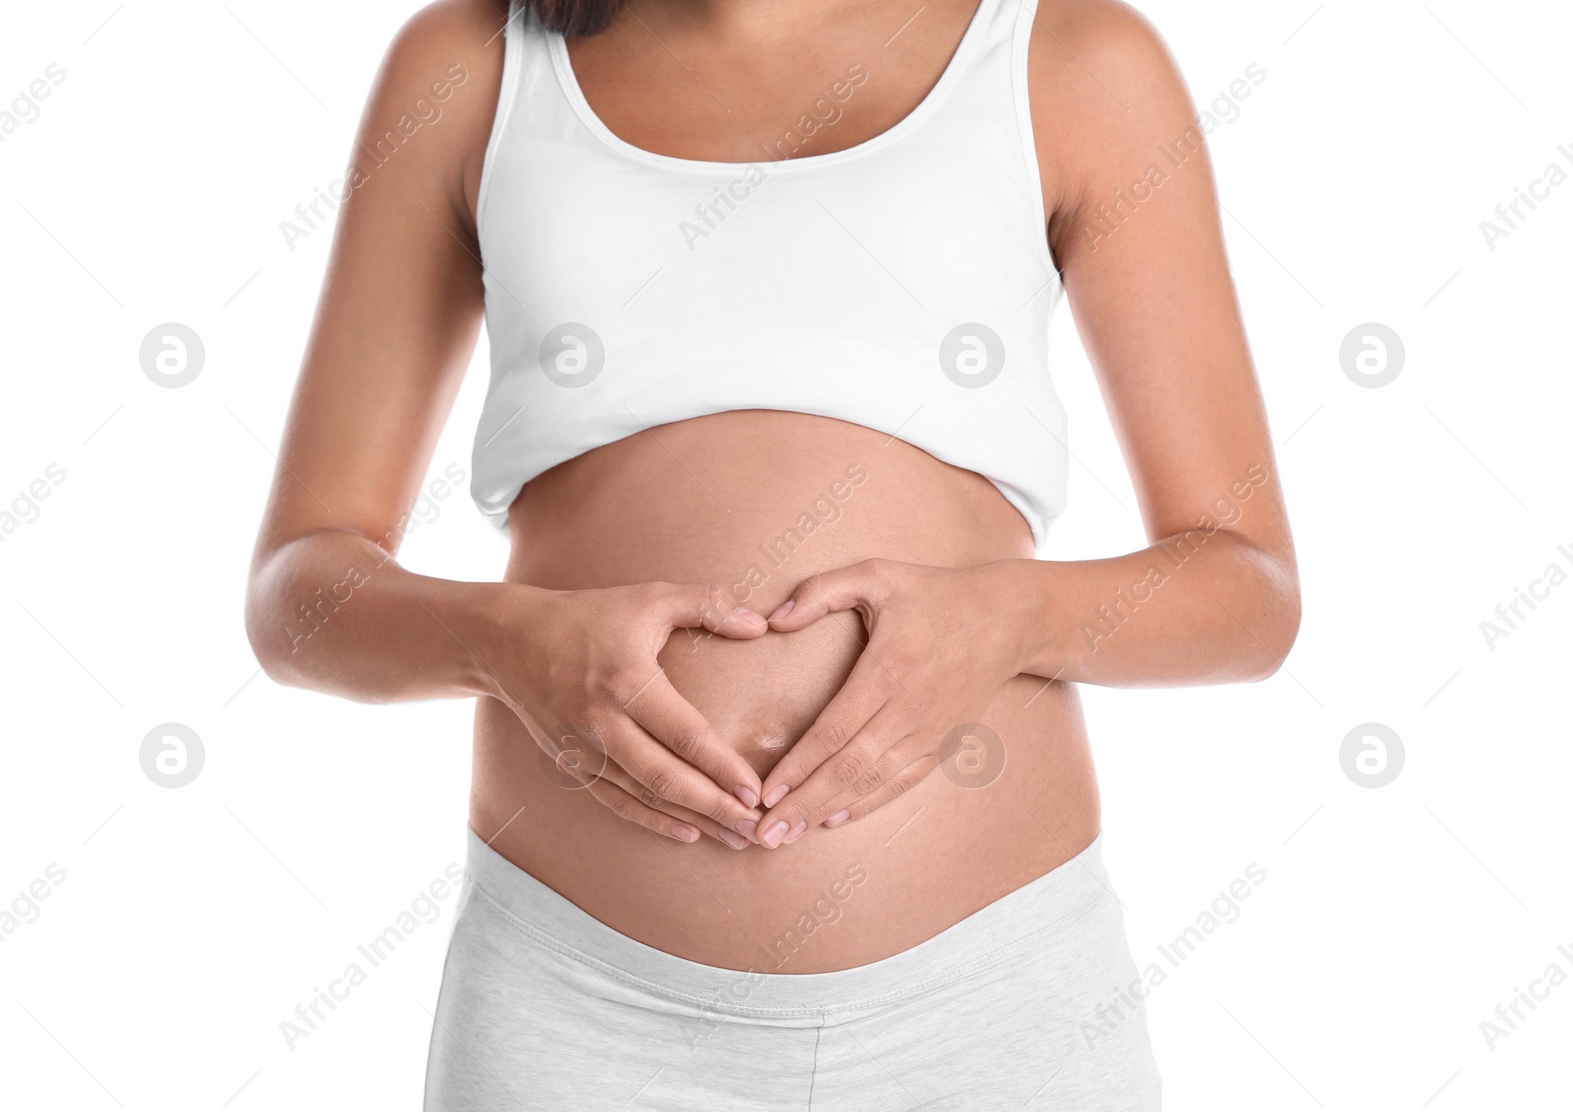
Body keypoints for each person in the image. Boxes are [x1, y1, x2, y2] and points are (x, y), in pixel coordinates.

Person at [244, 0, 1301, 1106]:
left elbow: (1247, 585)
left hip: (993, 1003)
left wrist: (1011, 618)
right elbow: (298, 593)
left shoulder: (1068, 57)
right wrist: (507, 641)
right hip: (581, 1006)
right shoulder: (472, 64)